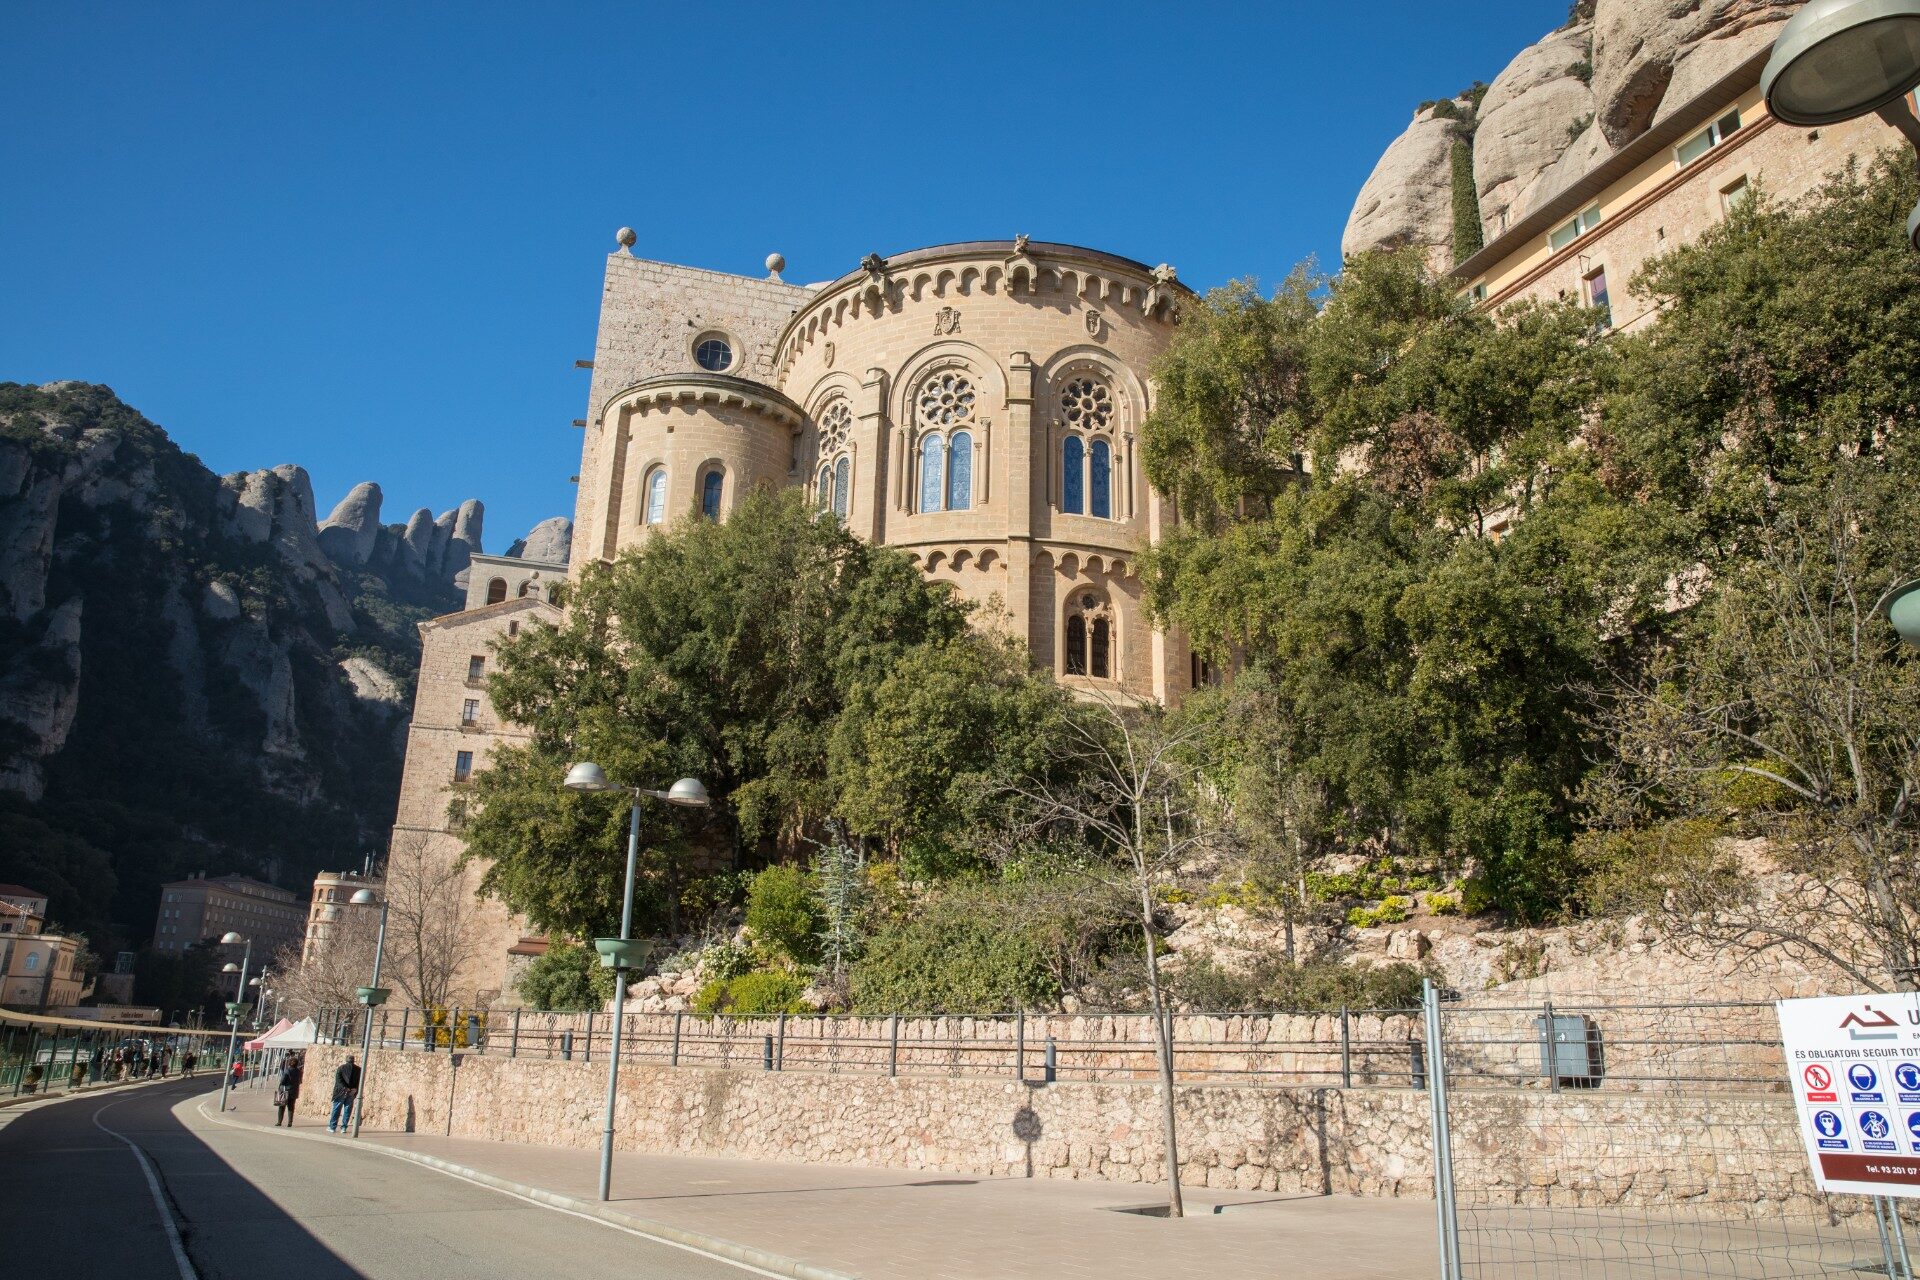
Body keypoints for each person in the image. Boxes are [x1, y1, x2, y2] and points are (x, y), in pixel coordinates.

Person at [328, 1054, 361, 1133]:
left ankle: (332, 1127)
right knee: (347, 1110)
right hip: (352, 1091)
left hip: (341, 1091)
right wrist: (355, 1089)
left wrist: (345, 1088)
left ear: (346, 1060)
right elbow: (359, 1081)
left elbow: (338, 1080)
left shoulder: (341, 1068)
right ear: (353, 1060)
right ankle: (344, 1127)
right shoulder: (358, 1069)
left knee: (336, 1109)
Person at [273, 1052, 304, 1126]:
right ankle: (290, 1122)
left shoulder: (287, 1071)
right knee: (291, 1107)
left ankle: (279, 1122)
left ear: (289, 1063)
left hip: (285, 1090)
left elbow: (283, 1081)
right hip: (294, 1091)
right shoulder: (299, 1071)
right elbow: (300, 1081)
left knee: (281, 1107)